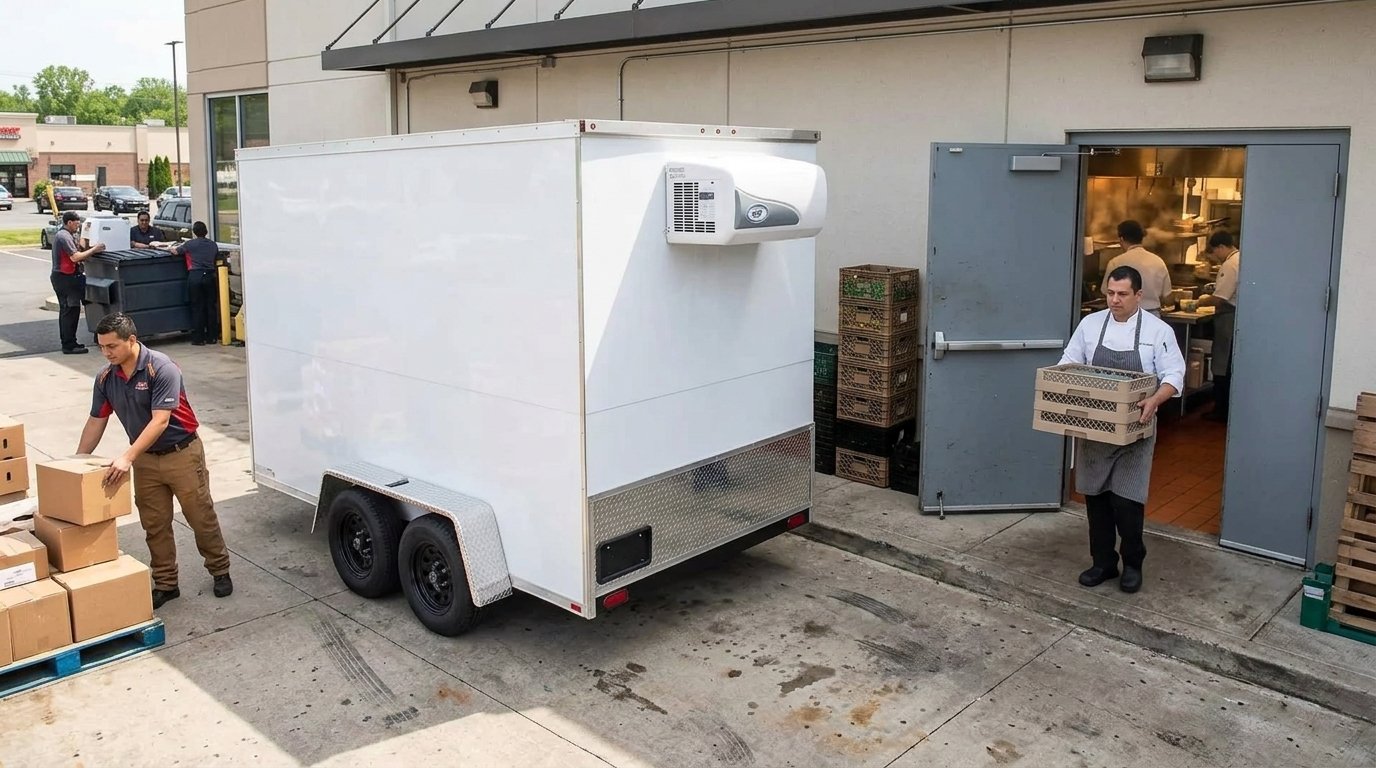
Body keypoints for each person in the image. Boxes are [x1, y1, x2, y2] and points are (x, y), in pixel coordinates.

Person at [75, 312, 233, 608]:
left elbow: (161, 421)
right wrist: (74, 462)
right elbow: (97, 420)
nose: (106, 353)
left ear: (131, 341)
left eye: (112, 347)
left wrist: (126, 457)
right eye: (102, 347)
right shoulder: (106, 377)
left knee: (200, 516)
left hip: (181, 454)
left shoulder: (160, 368)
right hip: (145, 460)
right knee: (154, 523)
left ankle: (219, 569)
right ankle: (166, 583)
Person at [1059, 265, 1185, 594]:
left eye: (1122, 294)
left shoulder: (1158, 332)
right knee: (1096, 500)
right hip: (1094, 429)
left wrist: (1155, 400)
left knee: (1127, 503)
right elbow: (1068, 362)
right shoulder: (1090, 325)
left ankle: (1132, 562)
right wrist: (1057, 394)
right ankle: (1103, 562)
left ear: (1138, 295)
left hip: (1135, 430)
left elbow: (1174, 374)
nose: (1114, 300)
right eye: (1110, 293)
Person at [1199, 231, 1240, 422]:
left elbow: (1220, 298)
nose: (1216, 257)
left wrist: (1196, 303)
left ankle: (1221, 410)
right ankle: (1223, 408)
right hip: (1232, 317)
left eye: (1215, 252)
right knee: (1227, 363)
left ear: (1221, 247)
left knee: (1222, 364)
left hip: (1228, 319)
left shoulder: (1230, 264)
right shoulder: (1239, 258)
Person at [50, 211, 105, 354]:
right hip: (64, 278)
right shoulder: (63, 236)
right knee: (69, 311)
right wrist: (94, 249)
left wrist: (85, 235)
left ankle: (71, 342)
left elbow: (80, 248)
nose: (78, 225)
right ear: (69, 222)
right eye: (76, 222)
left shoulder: (70, 235)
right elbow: (75, 257)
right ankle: (68, 345)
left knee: (72, 311)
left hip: (70, 277)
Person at [1102, 220, 1173, 315]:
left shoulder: (1116, 262)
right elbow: (1167, 296)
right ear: (1142, 238)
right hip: (1153, 316)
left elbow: (1105, 291)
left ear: (1121, 239)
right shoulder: (1158, 261)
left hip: (1124, 316)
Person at [168, 221, 219, 346]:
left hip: (195, 276)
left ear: (194, 232)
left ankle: (198, 338)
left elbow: (176, 251)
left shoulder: (190, 244)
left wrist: (169, 248)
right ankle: (212, 337)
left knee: (197, 307)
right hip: (210, 276)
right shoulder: (213, 245)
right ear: (206, 231)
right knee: (211, 307)